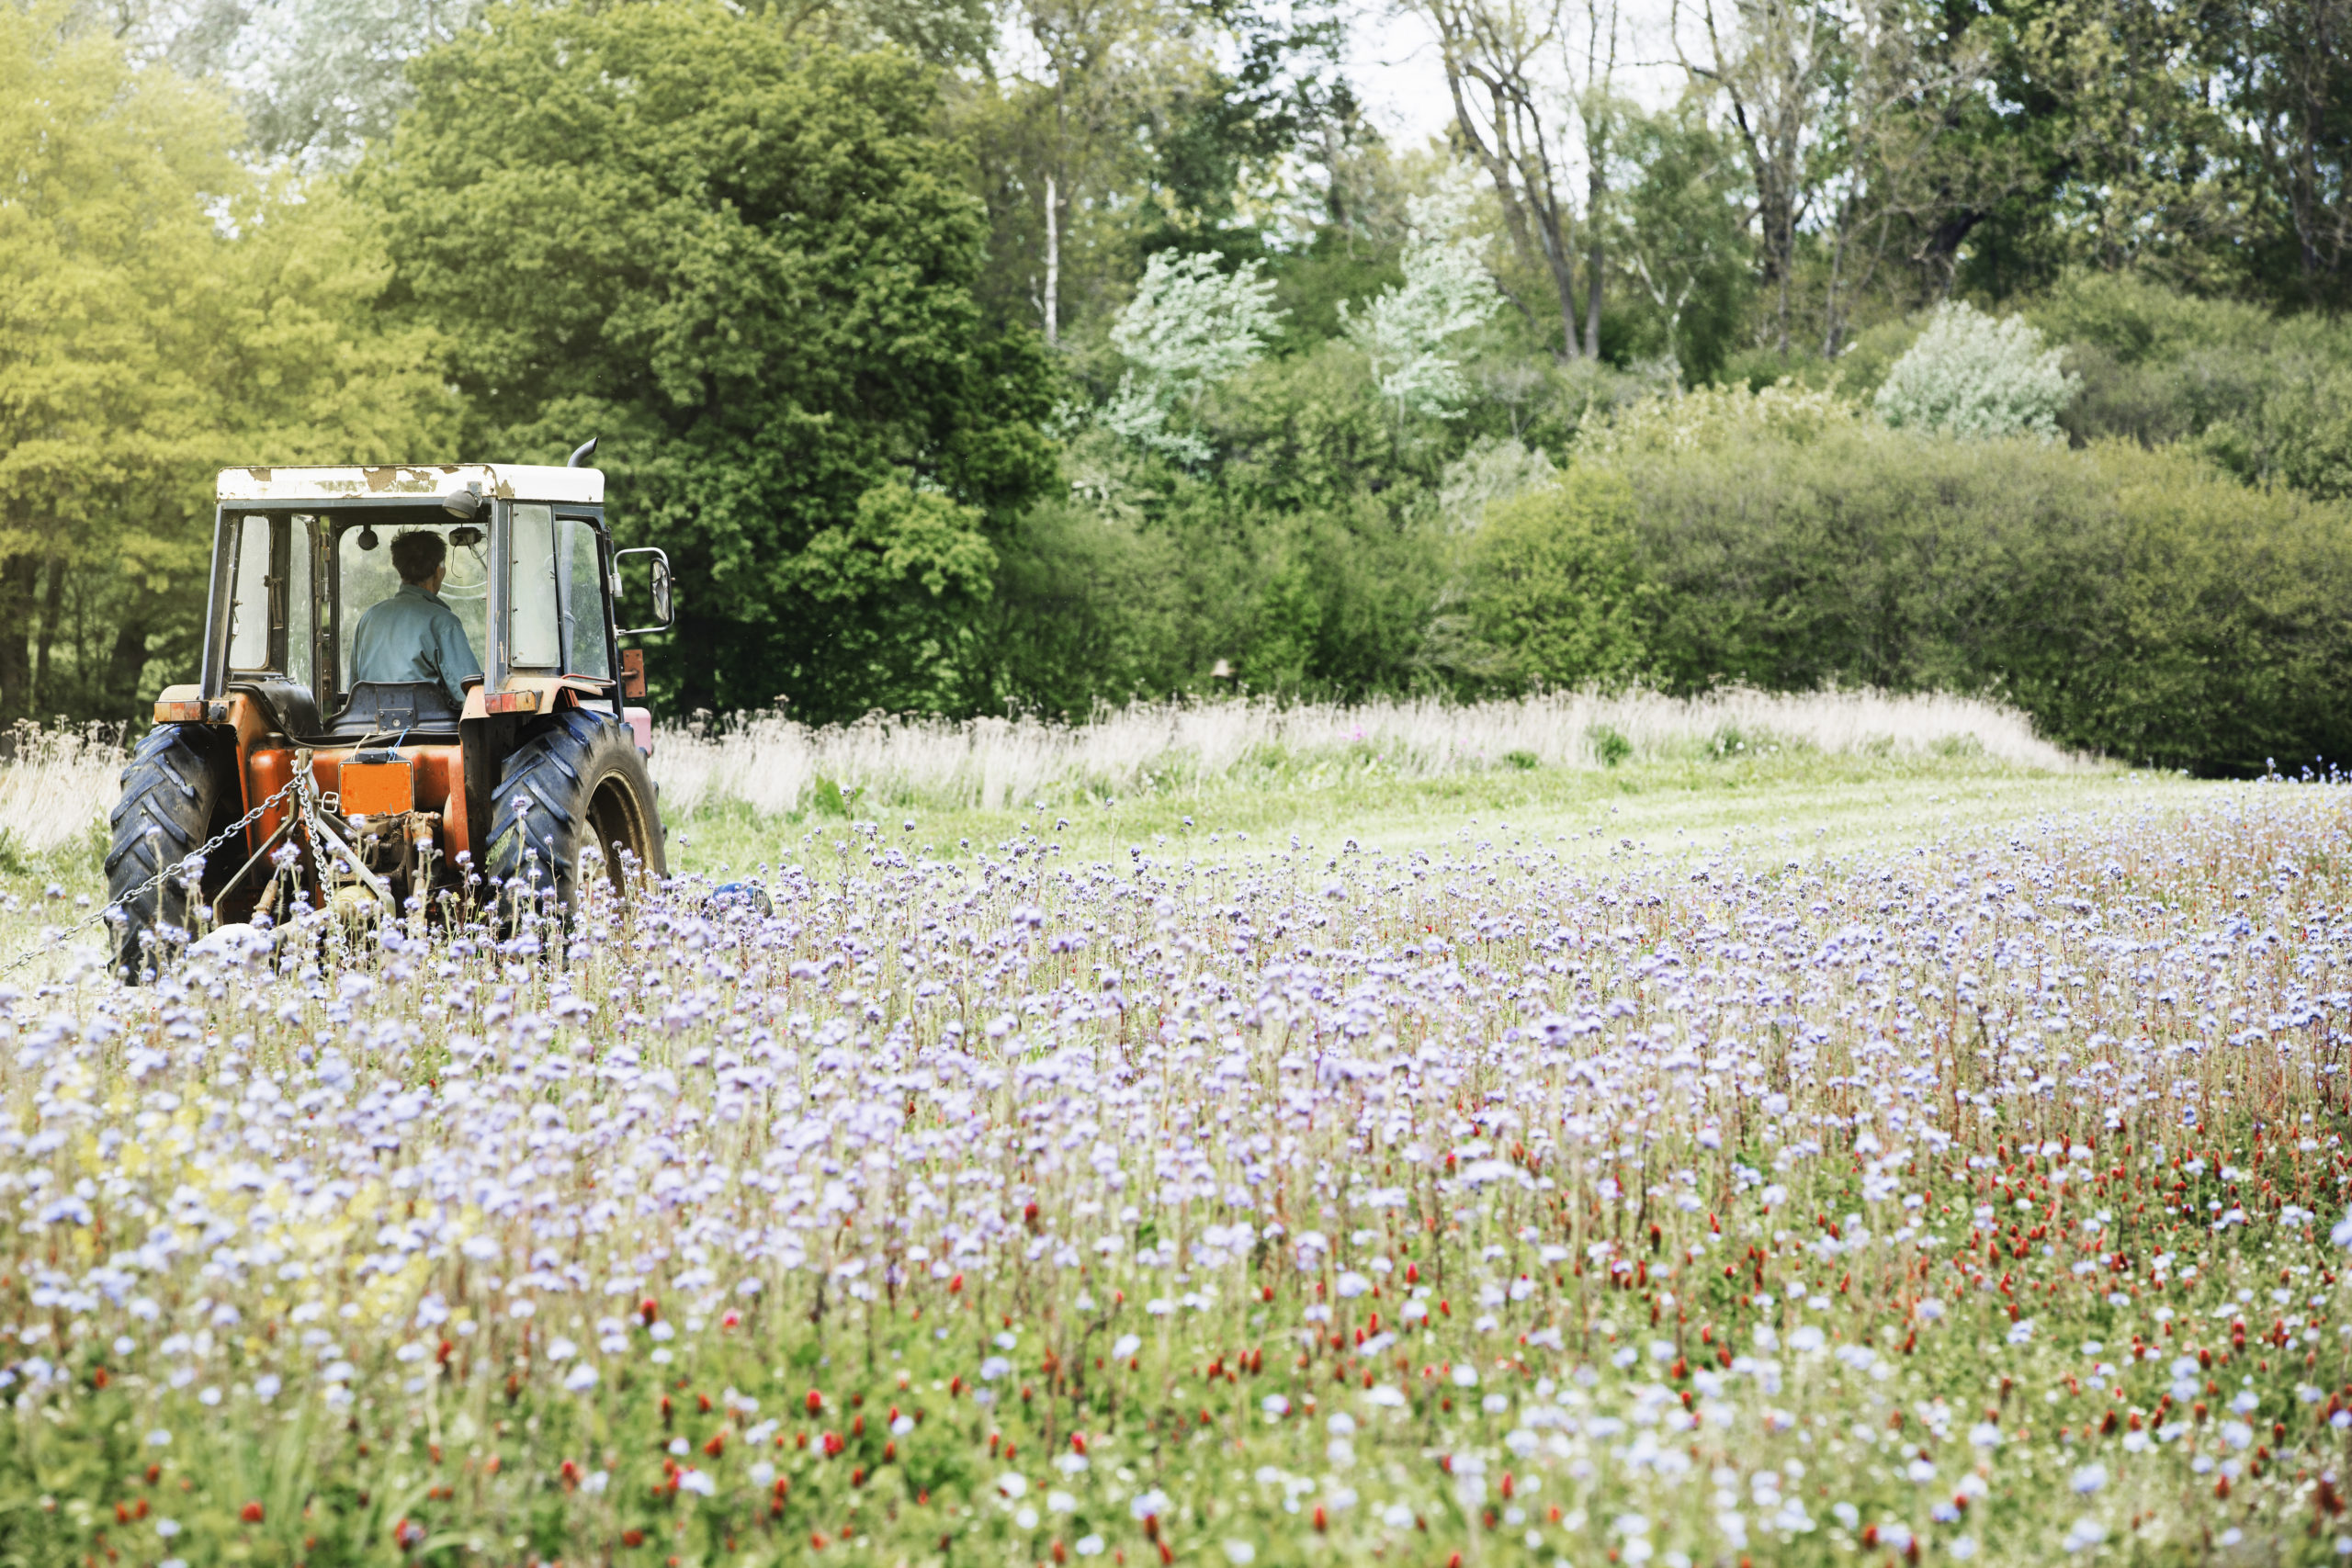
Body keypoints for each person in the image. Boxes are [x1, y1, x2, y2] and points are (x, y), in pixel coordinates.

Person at [348, 529, 482, 708]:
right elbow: (471, 697)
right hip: (431, 733)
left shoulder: (368, 619)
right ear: (438, 571)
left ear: (399, 569)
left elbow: (354, 692)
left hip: (370, 730)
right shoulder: (444, 623)